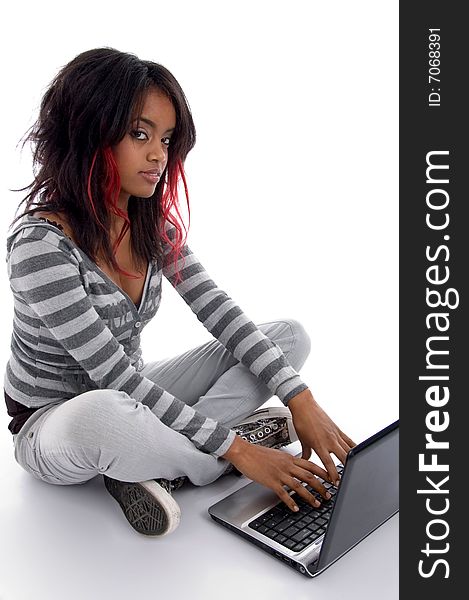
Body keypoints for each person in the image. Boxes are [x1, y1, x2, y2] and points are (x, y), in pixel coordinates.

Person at [4, 47, 355, 537]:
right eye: (139, 134)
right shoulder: (39, 246)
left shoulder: (151, 227)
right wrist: (239, 451)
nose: (158, 155)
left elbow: (221, 315)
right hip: (57, 423)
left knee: (288, 337)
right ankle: (208, 456)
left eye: (166, 139)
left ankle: (148, 468)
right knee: (106, 413)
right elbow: (113, 378)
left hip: (133, 394)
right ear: (87, 134)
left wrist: (301, 398)